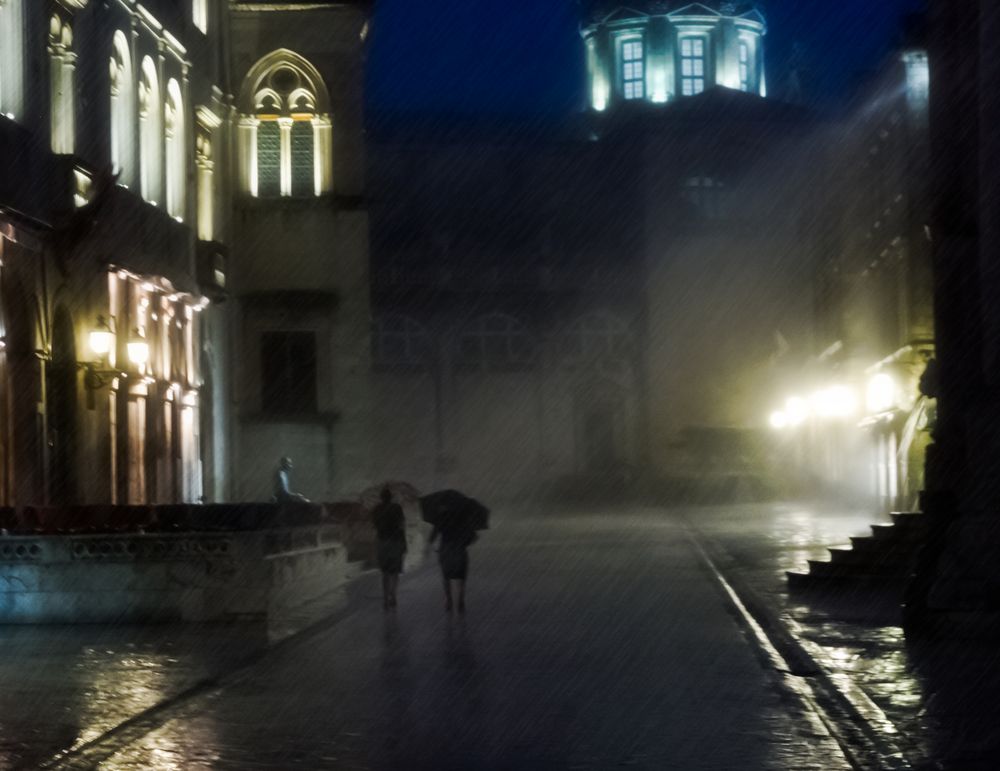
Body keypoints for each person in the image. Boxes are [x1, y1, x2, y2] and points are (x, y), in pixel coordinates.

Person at [428, 512, 477, 613]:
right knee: (461, 575)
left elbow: (432, 537)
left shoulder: (441, 518)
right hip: (460, 549)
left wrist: (433, 546)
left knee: (446, 575)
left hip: (446, 549)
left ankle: (448, 599)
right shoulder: (464, 518)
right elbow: (473, 537)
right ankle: (460, 599)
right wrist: (465, 542)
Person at [372, 487, 407, 609]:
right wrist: (404, 544)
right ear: (391, 497)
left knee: (385, 573)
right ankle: (393, 595)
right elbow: (402, 526)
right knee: (395, 572)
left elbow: (375, 526)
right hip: (396, 542)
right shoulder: (397, 508)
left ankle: (386, 598)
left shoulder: (376, 509)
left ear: (381, 497)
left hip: (383, 543)